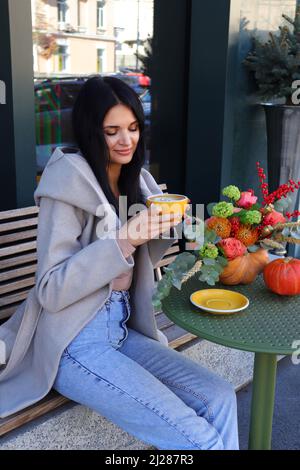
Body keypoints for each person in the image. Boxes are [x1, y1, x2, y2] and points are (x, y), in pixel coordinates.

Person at [0, 76, 239, 450]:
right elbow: (50, 289)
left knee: (220, 397)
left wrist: (172, 230)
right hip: (75, 342)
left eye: (132, 128)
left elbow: (138, 263)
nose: (126, 141)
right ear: (91, 132)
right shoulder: (65, 186)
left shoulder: (138, 181)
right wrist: (126, 237)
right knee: (199, 441)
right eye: (112, 131)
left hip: (125, 329)